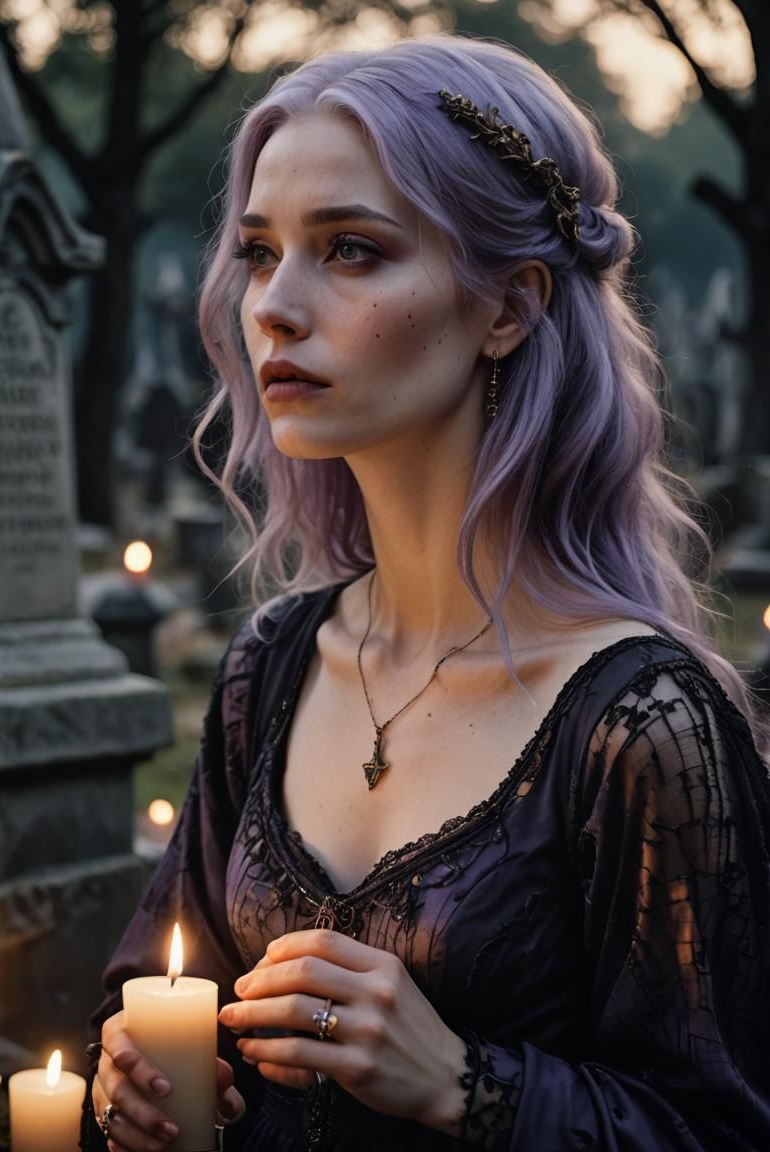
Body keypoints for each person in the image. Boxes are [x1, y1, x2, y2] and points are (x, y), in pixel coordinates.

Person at [82, 33, 770, 1152]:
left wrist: (465, 1084)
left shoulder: (643, 725)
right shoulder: (272, 664)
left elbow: (718, 1129)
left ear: (507, 307)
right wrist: (145, 1076)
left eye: (349, 250)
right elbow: (157, 982)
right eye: (260, 252)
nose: (273, 307)